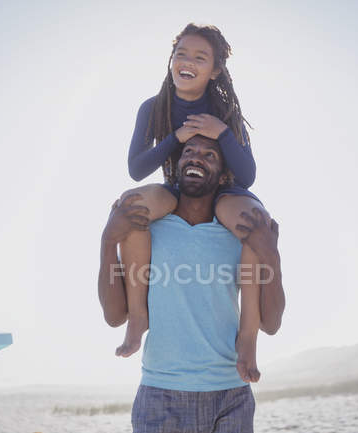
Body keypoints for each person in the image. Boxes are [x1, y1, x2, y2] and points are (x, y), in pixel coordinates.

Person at [115, 23, 272, 385]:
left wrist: (223, 133)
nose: (187, 62)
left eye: (200, 57)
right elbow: (137, 169)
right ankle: (138, 317)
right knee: (132, 204)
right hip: (176, 186)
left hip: (226, 191)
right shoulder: (154, 107)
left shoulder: (226, 109)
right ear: (171, 59)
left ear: (215, 69)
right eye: (181, 53)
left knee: (253, 219)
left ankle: (247, 337)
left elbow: (246, 175)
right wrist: (175, 138)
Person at [98, 135, 285, 432]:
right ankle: (139, 319)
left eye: (209, 155)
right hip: (160, 394)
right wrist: (108, 242)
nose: (197, 157)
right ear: (177, 164)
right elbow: (112, 316)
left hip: (231, 395)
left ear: (223, 174)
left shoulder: (239, 234)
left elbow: (272, 323)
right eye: (189, 152)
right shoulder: (146, 229)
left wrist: (271, 256)